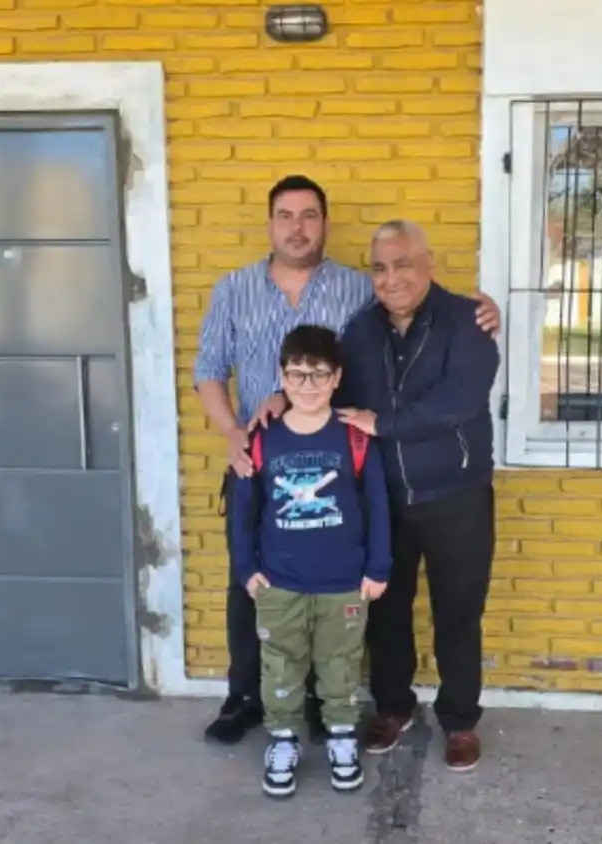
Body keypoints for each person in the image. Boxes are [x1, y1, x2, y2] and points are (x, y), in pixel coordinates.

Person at [193, 176, 500, 746]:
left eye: (309, 215)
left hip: (393, 481)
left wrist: (485, 309)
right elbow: (231, 370)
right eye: (285, 215)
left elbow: (450, 383)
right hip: (288, 465)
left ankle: (410, 714)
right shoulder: (248, 292)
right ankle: (260, 699)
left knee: (404, 601)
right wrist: (251, 420)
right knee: (271, 586)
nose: (297, 227)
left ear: (325, 224)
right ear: (270, 223)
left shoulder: (390, 301)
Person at [335, 220, 500, 773]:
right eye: (380, 268)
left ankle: (460, 720)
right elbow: (334, 395)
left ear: (429, 263)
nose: (392, 278)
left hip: (457, 494)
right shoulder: (360, 331)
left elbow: (460, 400)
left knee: (458, 613)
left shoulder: (467, 321)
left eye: (404, 264)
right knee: (386, 611)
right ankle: (393, 707)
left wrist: (384, 423)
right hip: (384, 499)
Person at [229, 325, 392, 798]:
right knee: (280, 664)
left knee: (340, 663)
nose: (308, 385)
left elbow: (378, 504)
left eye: (319, 374)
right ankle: (283, 739)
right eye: (298, 374)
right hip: (280, 581)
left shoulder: (355, 438)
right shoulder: (262, 439)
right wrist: (247, 570)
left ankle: (341, 736)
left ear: (336, 378)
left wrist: (378, 567)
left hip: (344, 581)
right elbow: (243, 509)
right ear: (282, 377)